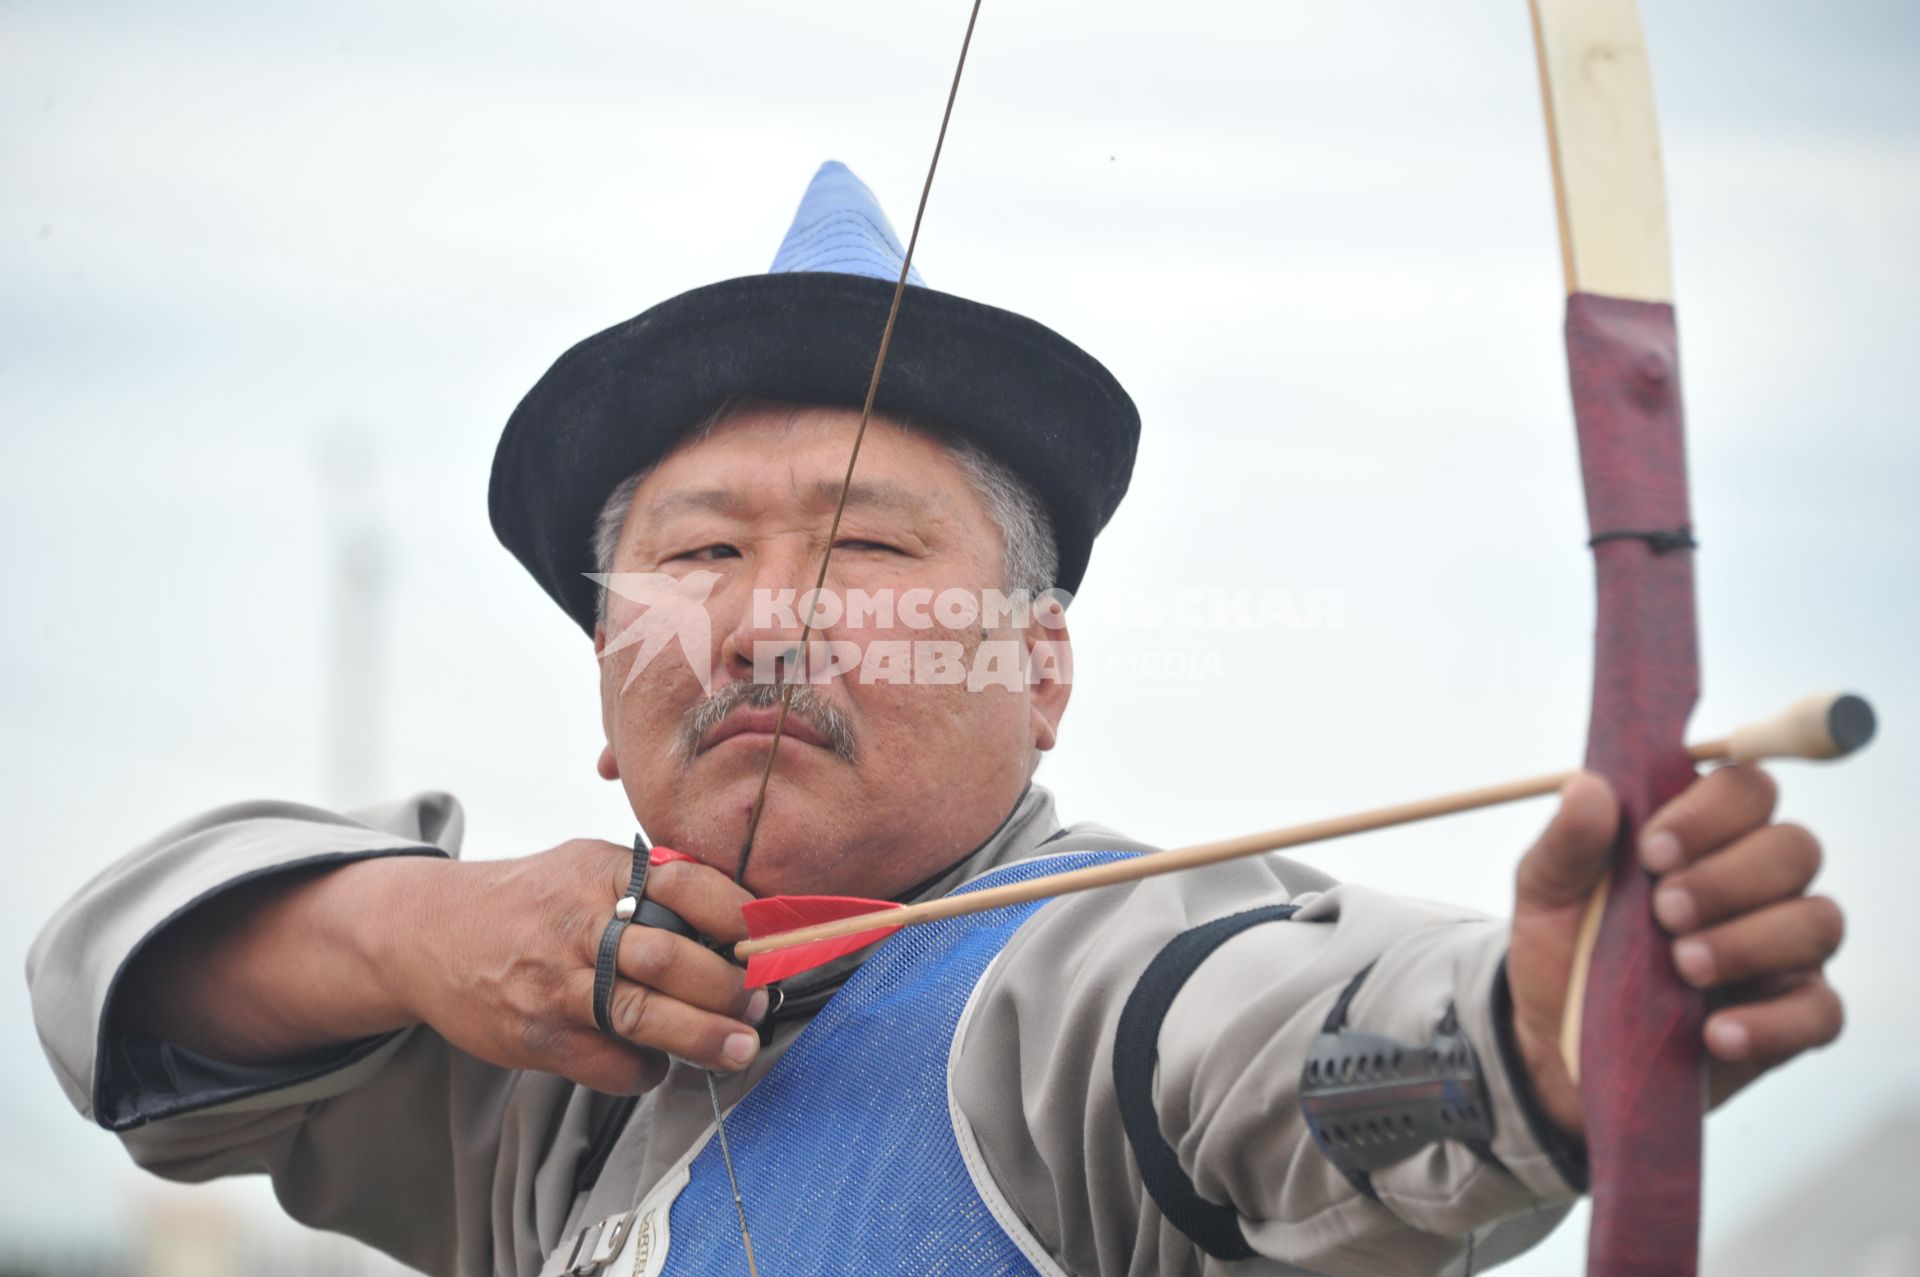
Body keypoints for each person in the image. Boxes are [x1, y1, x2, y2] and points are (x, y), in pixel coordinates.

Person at [26, 162, 1845, 1277]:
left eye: (870, 543)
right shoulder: (547, 1070)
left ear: (1040, 668)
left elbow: (1294, 1047)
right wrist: (421, 928)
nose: (758, 618)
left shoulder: (1100, 982)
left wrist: (1527, 1038)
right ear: (602, 684)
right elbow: (118, 1002)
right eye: (694, 554)